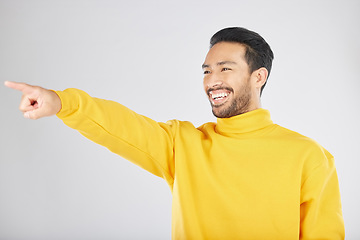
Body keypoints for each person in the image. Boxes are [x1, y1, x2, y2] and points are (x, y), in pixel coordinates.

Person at [5, 27, 344, 239]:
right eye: (207, 70)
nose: (213, 80)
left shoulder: (308, 156)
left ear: (259, 77)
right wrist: (62, 102)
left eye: (226, 68)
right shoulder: (184, 145)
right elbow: (123, 126)